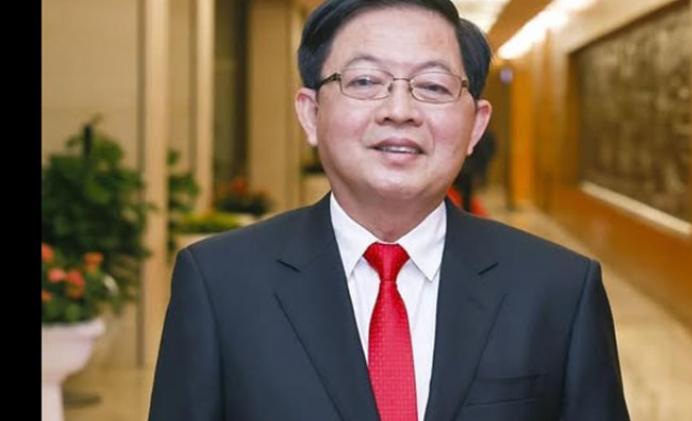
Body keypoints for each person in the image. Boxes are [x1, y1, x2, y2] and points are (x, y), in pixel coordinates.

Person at [148, 1, 631, 420]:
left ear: (476, 125)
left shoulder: (559, 289)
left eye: (433, 87)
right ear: (311, 113)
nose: (399, 110)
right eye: (365, 81)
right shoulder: (219, 284)